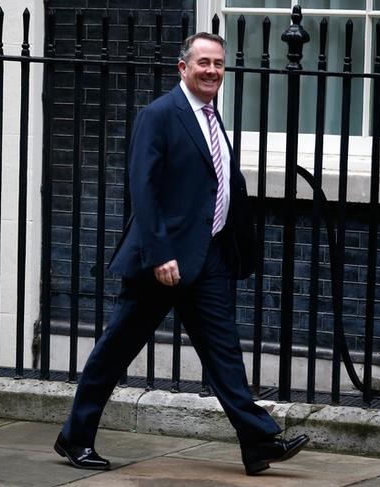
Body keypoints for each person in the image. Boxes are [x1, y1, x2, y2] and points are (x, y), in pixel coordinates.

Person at [54, 32, 309, 476]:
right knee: (116, 350)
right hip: (163, 262)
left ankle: (258, 443)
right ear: (183, 68)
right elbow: (143, 191)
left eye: (218, 64)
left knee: (224, 353)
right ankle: (75, 438)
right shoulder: (160, 115)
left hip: (208, 257)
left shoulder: (211, 116)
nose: (212, 70)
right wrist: (158, 254)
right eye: (203, 63)